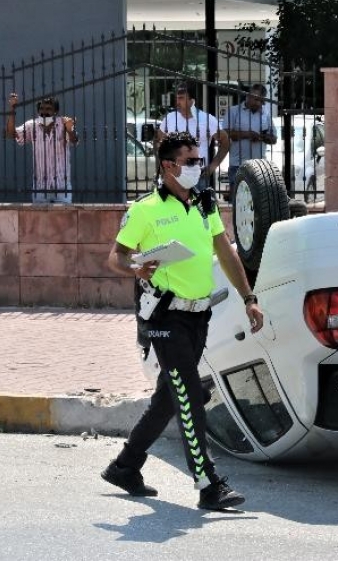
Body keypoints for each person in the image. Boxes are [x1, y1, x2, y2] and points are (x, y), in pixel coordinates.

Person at [101, 131, 263, 511]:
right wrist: (137, 269)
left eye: (199, 159)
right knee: (189, 393)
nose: (198, 166)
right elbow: (116, 257)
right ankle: (208, 484)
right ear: (169, 166)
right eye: (190, 161)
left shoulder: (205, 205)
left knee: (167, 399)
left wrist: (249, 299)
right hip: (163, 316)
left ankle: (124, 466)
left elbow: (225, 254)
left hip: (198, 315)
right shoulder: (145, 210)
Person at [156, 82, 230, 193]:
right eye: (177, 98)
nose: (177, 102)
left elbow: (226, 142)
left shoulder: (207, 120)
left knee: (199, 208)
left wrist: (212, 166)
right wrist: (160, 165)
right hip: (173, 174)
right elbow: (158, 141)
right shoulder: (170, 118)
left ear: (192, 101)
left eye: (181, 98)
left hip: (198, 176)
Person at [5, 93, 79, 203]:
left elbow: (74, 141)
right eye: (41, 109)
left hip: (62, 187)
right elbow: (11, 134)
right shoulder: (32, 125)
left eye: (48, 109)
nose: (44, 112)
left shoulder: (64, 123)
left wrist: (70, 129)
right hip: (40, 188)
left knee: (63, 219)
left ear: (55, 111)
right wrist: (12, 108)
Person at [223, 83, 276, 196]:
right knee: (238, 201)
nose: (259, 103)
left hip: (259, 166)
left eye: (261, 101)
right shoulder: (233, 111)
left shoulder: (265, 114)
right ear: (248, 96)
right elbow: (225, 134)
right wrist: (248, 134)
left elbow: (274, 138)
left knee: (258, 202)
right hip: (238, 165)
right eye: (256, 99)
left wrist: (263, 137)